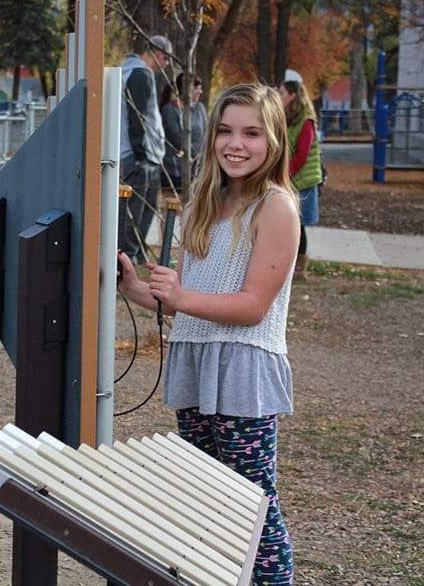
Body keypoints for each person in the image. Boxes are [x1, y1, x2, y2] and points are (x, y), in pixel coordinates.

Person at [118, 83, 299, 585]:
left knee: (251, 503)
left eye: (251, 133)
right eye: (224, 131)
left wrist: (179, 298)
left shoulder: (276, 208)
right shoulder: (204, 203)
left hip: (242, 371)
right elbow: (189, 304)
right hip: (197, 365)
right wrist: (134, 287)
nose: (235, 144)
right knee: (207, 498)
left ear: (275, 141)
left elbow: (251, 307)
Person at [118, 34, 172, 265]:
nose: (166, 65)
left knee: (141, 210)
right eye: (167, 59)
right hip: (140, 155)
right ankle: (128, 256)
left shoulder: (128, 71)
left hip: (141, 153)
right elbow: (138, 116)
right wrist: (141, 152)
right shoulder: (141, 74)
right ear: (159, 53)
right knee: (136, 210)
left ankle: (136, 254)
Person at [278, 69, 323, 281]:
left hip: (303, 180)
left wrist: (284, 175)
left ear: (293, 96)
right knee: (291, 222)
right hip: (293, 178)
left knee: (298, 223)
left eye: (282, 93)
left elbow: (302, 155)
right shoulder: (289, 118)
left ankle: (300, 269)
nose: (279, 96)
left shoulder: (305, 120)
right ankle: (290, 264)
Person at [159, 74, 206, 194]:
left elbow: (207, 133)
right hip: (174, 170)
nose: (200, 91)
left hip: (197, 169)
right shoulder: (169, 110)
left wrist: (201, 157)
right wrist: (193, 154)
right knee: (174, 207)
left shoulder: (200, 108)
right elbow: (177, 139)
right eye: (197, 88)